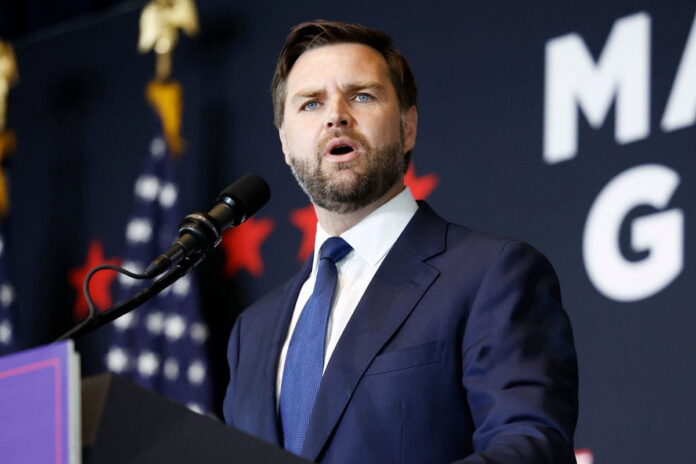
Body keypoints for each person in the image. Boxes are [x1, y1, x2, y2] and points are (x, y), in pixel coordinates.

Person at [223, 20, 578, 464]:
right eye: (311, 104)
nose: (336, 115)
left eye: (362, 96)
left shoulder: (491, 274)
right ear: (284, 143)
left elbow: (530, 447)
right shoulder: (250, 333)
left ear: (408, 127)